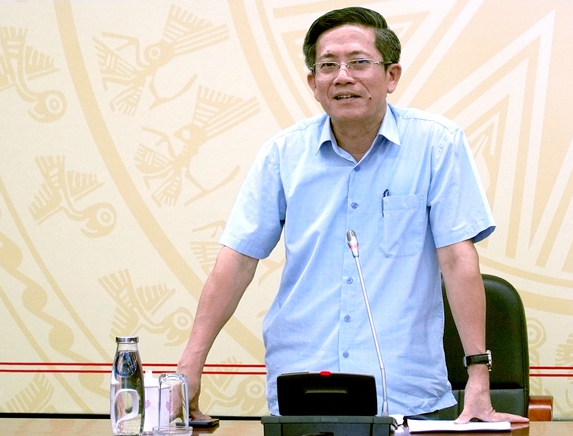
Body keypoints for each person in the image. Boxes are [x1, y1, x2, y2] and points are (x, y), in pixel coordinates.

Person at [177, 6, 529, 424]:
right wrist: (190, 365)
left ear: (391, 76)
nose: (343, 77)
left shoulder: (437, 144)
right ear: (314, 84)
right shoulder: (282, 154)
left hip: (406, 389)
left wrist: (478, 379)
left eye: (359, 62)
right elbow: (237, 261)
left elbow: (457, 259)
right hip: (304, 382)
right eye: (328, 65)